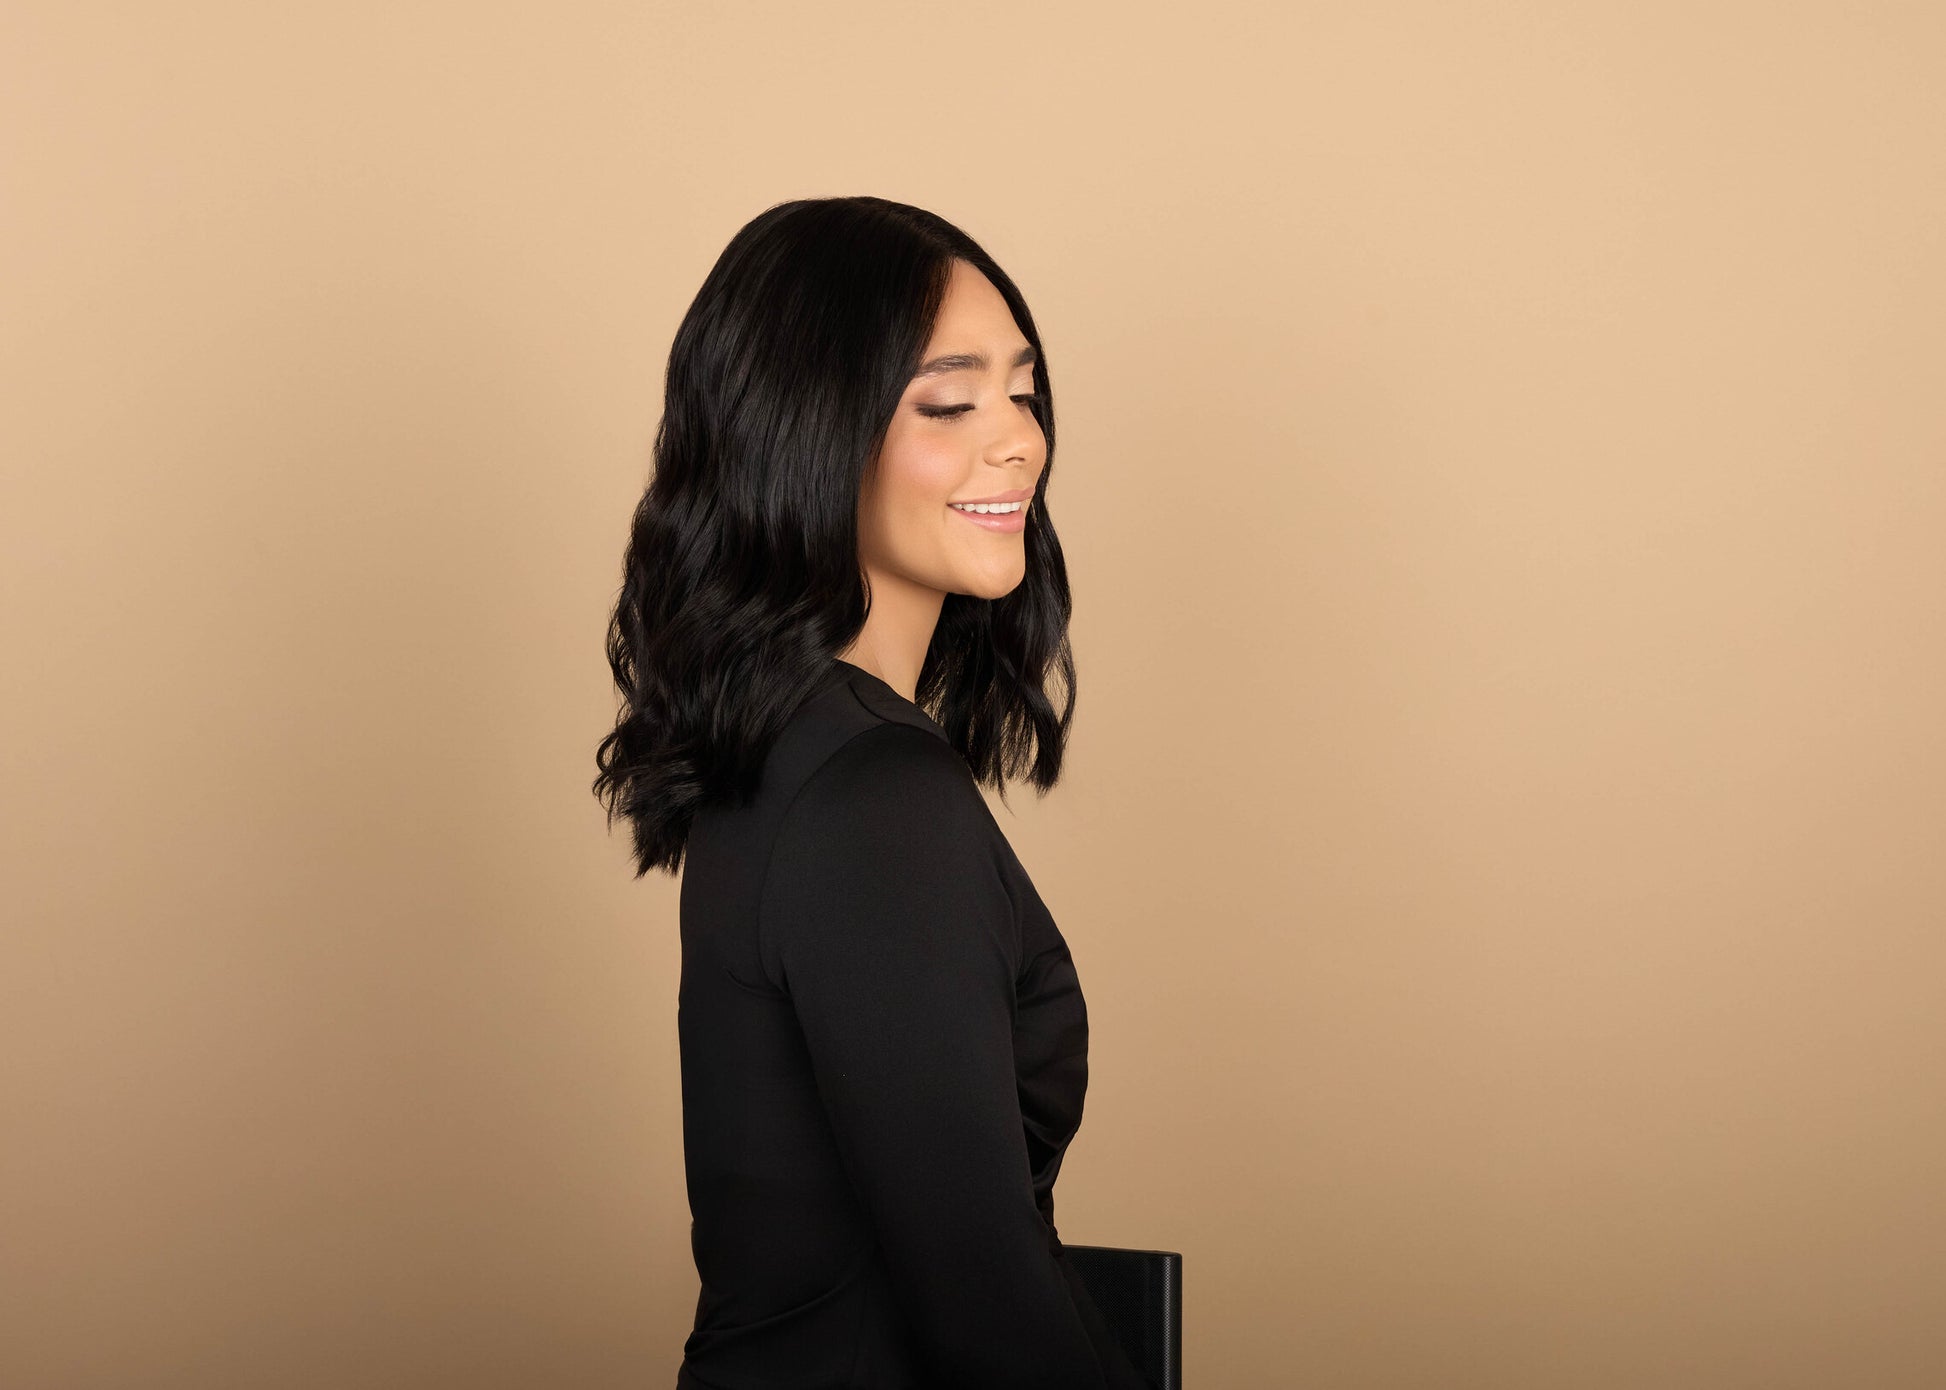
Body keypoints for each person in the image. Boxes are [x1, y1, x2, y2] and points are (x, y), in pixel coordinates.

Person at [593, 196, 1153, 1390]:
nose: (1017, 440)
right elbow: (985, 1305)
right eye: (947, 404)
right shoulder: (873, 797)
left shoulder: (793, 752)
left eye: (1023, 391)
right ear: (806, 433)